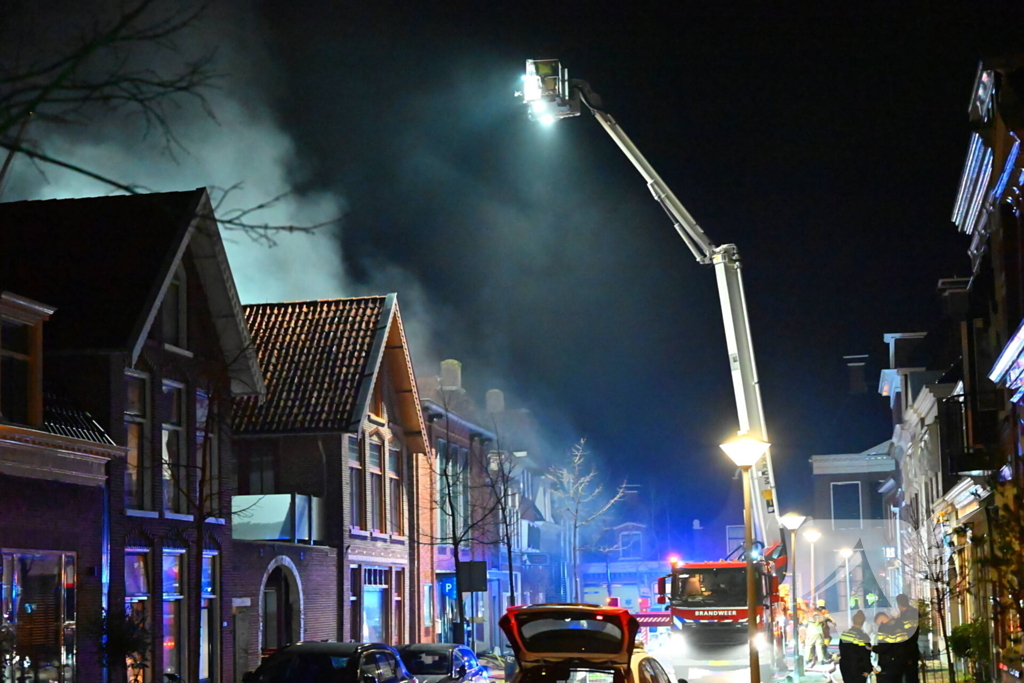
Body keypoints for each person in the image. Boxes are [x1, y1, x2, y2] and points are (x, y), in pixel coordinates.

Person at [839, 611, 873, 683]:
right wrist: (868, 669)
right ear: (863, 622)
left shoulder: (844, 634)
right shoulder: (863, 636)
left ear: (853, 620)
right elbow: (865, 654)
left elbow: (841, 649)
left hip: (845, 666)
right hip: (858, 668)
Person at [895, 594, 921, 683]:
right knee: (911, 676)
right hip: (910, 650)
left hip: (907, 651)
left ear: (899, 604)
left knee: (909, 677)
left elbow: (907, 636)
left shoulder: (907, 616)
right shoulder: (911, 613)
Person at [873, 612, 903, 683]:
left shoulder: (884, 628)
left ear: (881, 619)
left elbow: (883, 646)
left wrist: (874, 648)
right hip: (899, 661)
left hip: (887, 663)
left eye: (878, 623)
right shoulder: (899, 625)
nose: (879, 625)